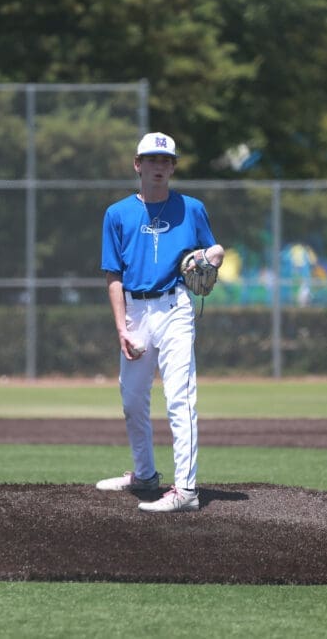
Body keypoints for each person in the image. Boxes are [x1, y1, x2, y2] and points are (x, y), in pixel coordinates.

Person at [96, 132, 225, 512]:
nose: (159, 166)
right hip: (135, 312)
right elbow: (113, 275)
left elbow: (213, 252)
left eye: (166, 160)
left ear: (173, 167)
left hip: (174, 308)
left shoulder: (191, 208)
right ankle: (145, 475)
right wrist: (121, 328)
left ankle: (186, 490)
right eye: (152, 159)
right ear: (138, 165)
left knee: (180, 397)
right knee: (132, 400)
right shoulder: (117, 214)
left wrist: (211, 258)